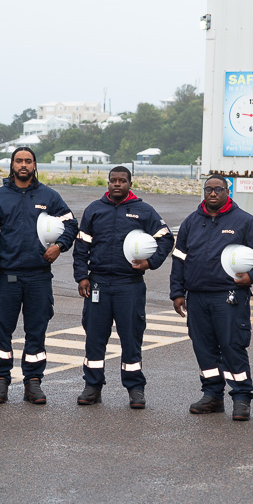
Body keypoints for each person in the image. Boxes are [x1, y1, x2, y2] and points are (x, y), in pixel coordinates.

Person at [169, 174, 253, 421]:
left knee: (232, 345)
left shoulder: (244, 221)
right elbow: (179, 259)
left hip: (229, 296)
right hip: (196, 297)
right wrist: (177, 292)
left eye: (218, 189)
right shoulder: (191, 222)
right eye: (208, 189)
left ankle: (241, 398)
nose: (213, 193)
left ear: (228, 192)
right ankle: (212, 396)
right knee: (203, 348)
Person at [73, 166, 174, 408]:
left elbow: (165, 237)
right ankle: (92, 386)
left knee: (131, 338)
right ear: (107, 183)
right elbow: (81, 246)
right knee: (95, 338)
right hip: (98, 284)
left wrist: (150, 262)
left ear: (130, 183)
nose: (117, 184)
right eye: (113, 180)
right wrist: (81, 276)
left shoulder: (143, 211)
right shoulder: (94, 210)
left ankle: (135, 389)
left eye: (122, 181)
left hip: (129, 285)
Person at [0, 147, 78, 404]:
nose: (23, 165)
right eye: (19, 161)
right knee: (2, 330)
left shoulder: (49, 196)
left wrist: (59, 247)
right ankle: (0, 382)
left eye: (28, 161)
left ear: (35, 164)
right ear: (12, 165)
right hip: (7, 276)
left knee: (36, 330)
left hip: (39, 276)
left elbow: (71, 223)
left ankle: (33, 382)